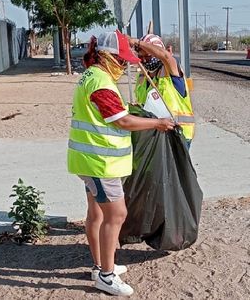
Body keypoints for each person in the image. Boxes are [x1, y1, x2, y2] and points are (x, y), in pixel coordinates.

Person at [68, 30, 175, 297]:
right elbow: (123, 121)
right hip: (100, 163)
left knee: (97, 214)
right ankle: (106, 276)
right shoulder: (102, 83)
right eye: (121, 59)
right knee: (116, 214)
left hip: (90, 160)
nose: (125, 64)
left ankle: (100, 266)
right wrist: (157, 123)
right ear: (106, 56)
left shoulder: (91, 76)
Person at [128, 34, 195, 149]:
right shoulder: (143, 76)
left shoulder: (171, 70)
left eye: (148, 56)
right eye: (141, 57)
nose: (144, 60)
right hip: (154, 135)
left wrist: (137, 42)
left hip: (177, 135)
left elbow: (165, 56)